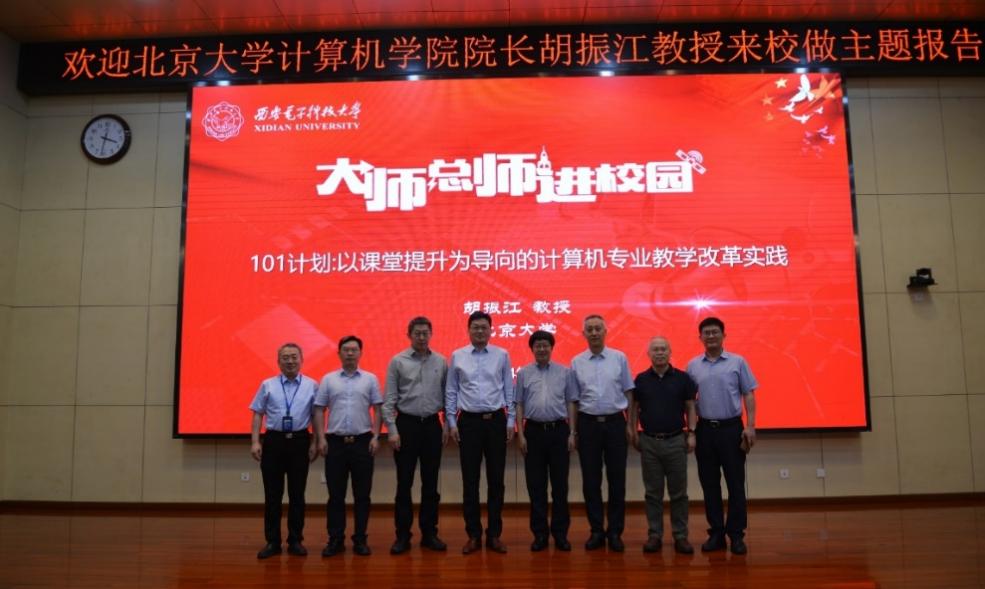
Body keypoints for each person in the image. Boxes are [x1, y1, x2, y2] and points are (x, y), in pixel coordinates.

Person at [686, 316, 758, 555]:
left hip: (731, 429)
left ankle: (736, 535)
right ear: (700, 337)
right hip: (705, 431)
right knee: (709, 485)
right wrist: (691, 431)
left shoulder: (738, 362)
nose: (711, 336)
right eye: (706, 333)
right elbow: (690, 403)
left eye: (715, 332)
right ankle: (716, 533)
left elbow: (748, 394)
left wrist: (751, 426)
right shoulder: (692, 366)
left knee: (736, 484)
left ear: (723, 335)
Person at [446, 310, 515, 554]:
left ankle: (494, 534)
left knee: (496, 481)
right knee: (470, 480)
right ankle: (473, 534)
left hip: (496, 421)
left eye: (484, 327)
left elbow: (509, 389)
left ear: (491, 330)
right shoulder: (458, 356)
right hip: (469, 423)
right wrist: (452, 422)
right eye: (475, 327)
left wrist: (511, 420)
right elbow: (451, 390)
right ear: (468, 330)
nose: (479, 331)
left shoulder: (502, 355)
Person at [382, 316, 449, 554]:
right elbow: (389, 400)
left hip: (431, 426)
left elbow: (447, 397)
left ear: (431, 334)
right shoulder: (397, 361)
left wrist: (447, 425)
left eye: (425, 333)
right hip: (406, 426)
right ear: (409, 335)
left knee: (431, 483)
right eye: (417, 333)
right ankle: (402, 536)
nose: (421, 337)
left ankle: (429, 533)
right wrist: (391, 430)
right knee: (404, 483)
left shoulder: (441, 361)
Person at [313, 335, 383, 557]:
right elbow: (319, 409)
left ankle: (360, 539)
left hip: (363, 442)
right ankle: (335, 539)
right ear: (339, 353)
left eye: (354, 350)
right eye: (346, 350)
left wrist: (376, 436)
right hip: (335, 443)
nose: (350, 353)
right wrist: (321, 438)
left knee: (362, 496)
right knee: (336, 496)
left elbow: (378, 409)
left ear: (360, 353)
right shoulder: (328, 379)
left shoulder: (370, 379)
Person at [570, 314, 635, 552]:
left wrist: (630, 425)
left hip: (615, 423)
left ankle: (615, 531)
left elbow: (629, 393)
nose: (594, 332)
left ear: (606, 331)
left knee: (617, 480)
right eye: (590, 329)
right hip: (588, 425)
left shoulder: (619, 358)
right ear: (584, 334)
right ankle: (596, 530)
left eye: (598, 328)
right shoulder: (576, 362)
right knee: (591, 480)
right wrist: (573, 431)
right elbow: (574, 400)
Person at [249, 343, 319, 559]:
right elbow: (258, 413)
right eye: (285, 357)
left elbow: (316, 415)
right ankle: (272, 542)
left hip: (300, 441)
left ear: (302, 359)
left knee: (297, 494)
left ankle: (295, 540)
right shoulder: (267, 384)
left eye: (294, 357)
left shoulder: (311, 385)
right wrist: (255, 441)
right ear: (278, 361)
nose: (290, 361)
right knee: (273, 495)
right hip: (274, 442)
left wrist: (315, 442)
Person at [630, 336, 697, 555]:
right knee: (653, 493)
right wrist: (633, 431)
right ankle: (655, 535)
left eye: (663, 349)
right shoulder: (641, 380)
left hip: (676, 440)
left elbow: (690, 407)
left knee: (679, 494)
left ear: (670, 352)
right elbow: (634, 408)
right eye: (655, 349)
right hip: (649, 442)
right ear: (649, 354)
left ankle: (680, 536)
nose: (659, 353)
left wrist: (692, 433)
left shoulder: (683, 378)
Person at [515, 330, 578, 552]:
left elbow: (571, 402)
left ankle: (560, 534)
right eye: (537, 346)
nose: (541, 349)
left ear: (552, 348)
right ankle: (540, 534)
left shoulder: (565, 372)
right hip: (533, 432)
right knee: (536, 486)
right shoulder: (523, 373)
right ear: (532, 349)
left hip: (559, 432)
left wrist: (572, 433)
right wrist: (520, 434)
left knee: (560, 486)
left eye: (545, 345)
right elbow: (519, 404)